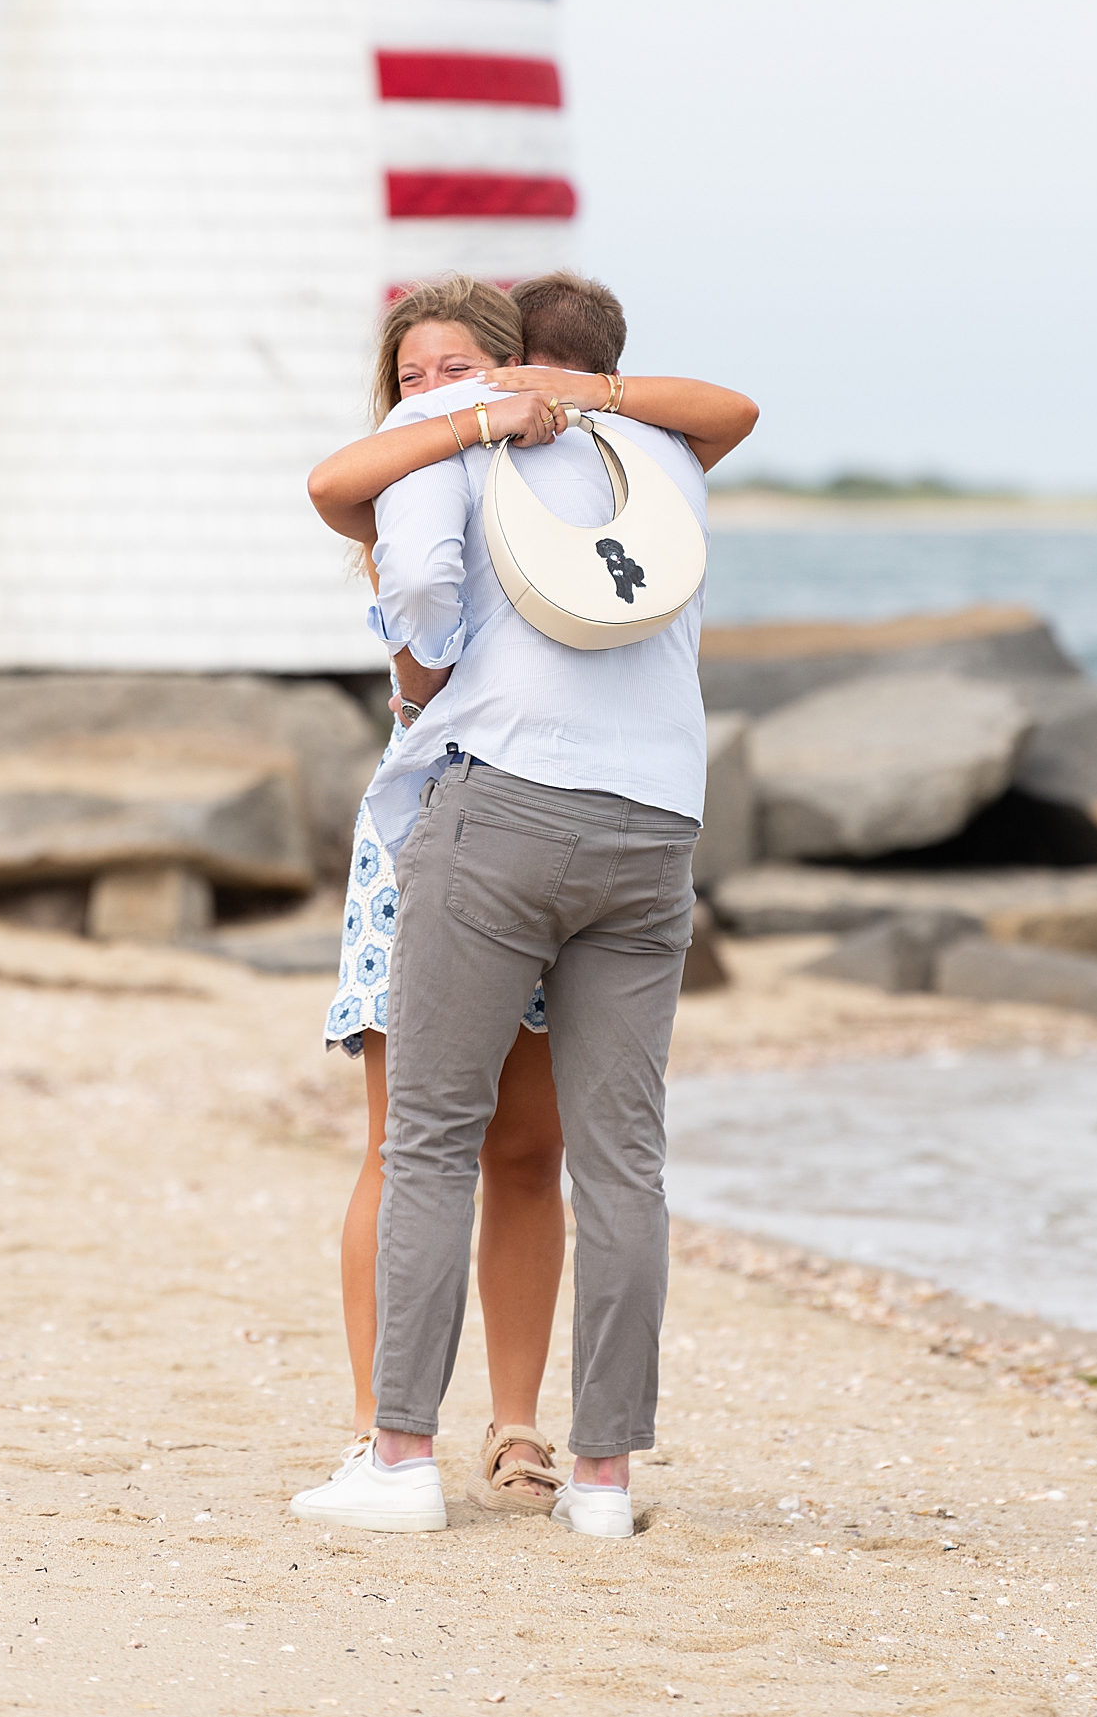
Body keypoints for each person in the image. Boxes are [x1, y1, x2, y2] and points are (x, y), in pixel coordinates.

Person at [293, 271, 757, 1536]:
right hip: (655, 817)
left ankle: (397, 1457)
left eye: (463, 365)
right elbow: (735, 409)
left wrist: (421, 668)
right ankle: (603, 1478)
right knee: (621, 1161)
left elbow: (426, 594)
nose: (442, 388)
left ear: (509, 360)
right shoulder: (657, 448)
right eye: (417, 372)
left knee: (429, 1140)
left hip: (490, 799)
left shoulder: (450, 451)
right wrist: (566, 397)